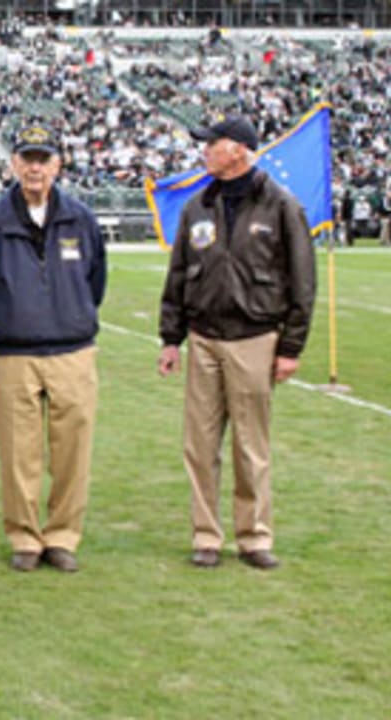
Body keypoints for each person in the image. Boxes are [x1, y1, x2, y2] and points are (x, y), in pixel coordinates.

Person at [157, 115, 316, 571]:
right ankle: (206, 535)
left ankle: (254, 536)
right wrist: (171, 339)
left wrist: (291, 347)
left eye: (213, 144)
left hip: (255, 338)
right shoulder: (197, 207)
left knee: (251, 446)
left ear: (240, 150)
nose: (204, 151)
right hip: (204, 338)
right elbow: (177, 277)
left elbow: (302, 281)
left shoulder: (280, 206)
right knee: (200, 445)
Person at [0, 124, 108, 573]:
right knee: (18, 453)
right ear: (13, 164)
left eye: (44, 159)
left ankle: (62, 536)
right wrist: (7, 324)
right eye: (28, 159)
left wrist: (70, 316)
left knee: (72, 454)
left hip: (73, 353)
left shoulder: (80, 219)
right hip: (16, 355)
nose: (35, 168)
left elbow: (95, 280)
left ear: (57, 165)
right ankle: (24, 537)